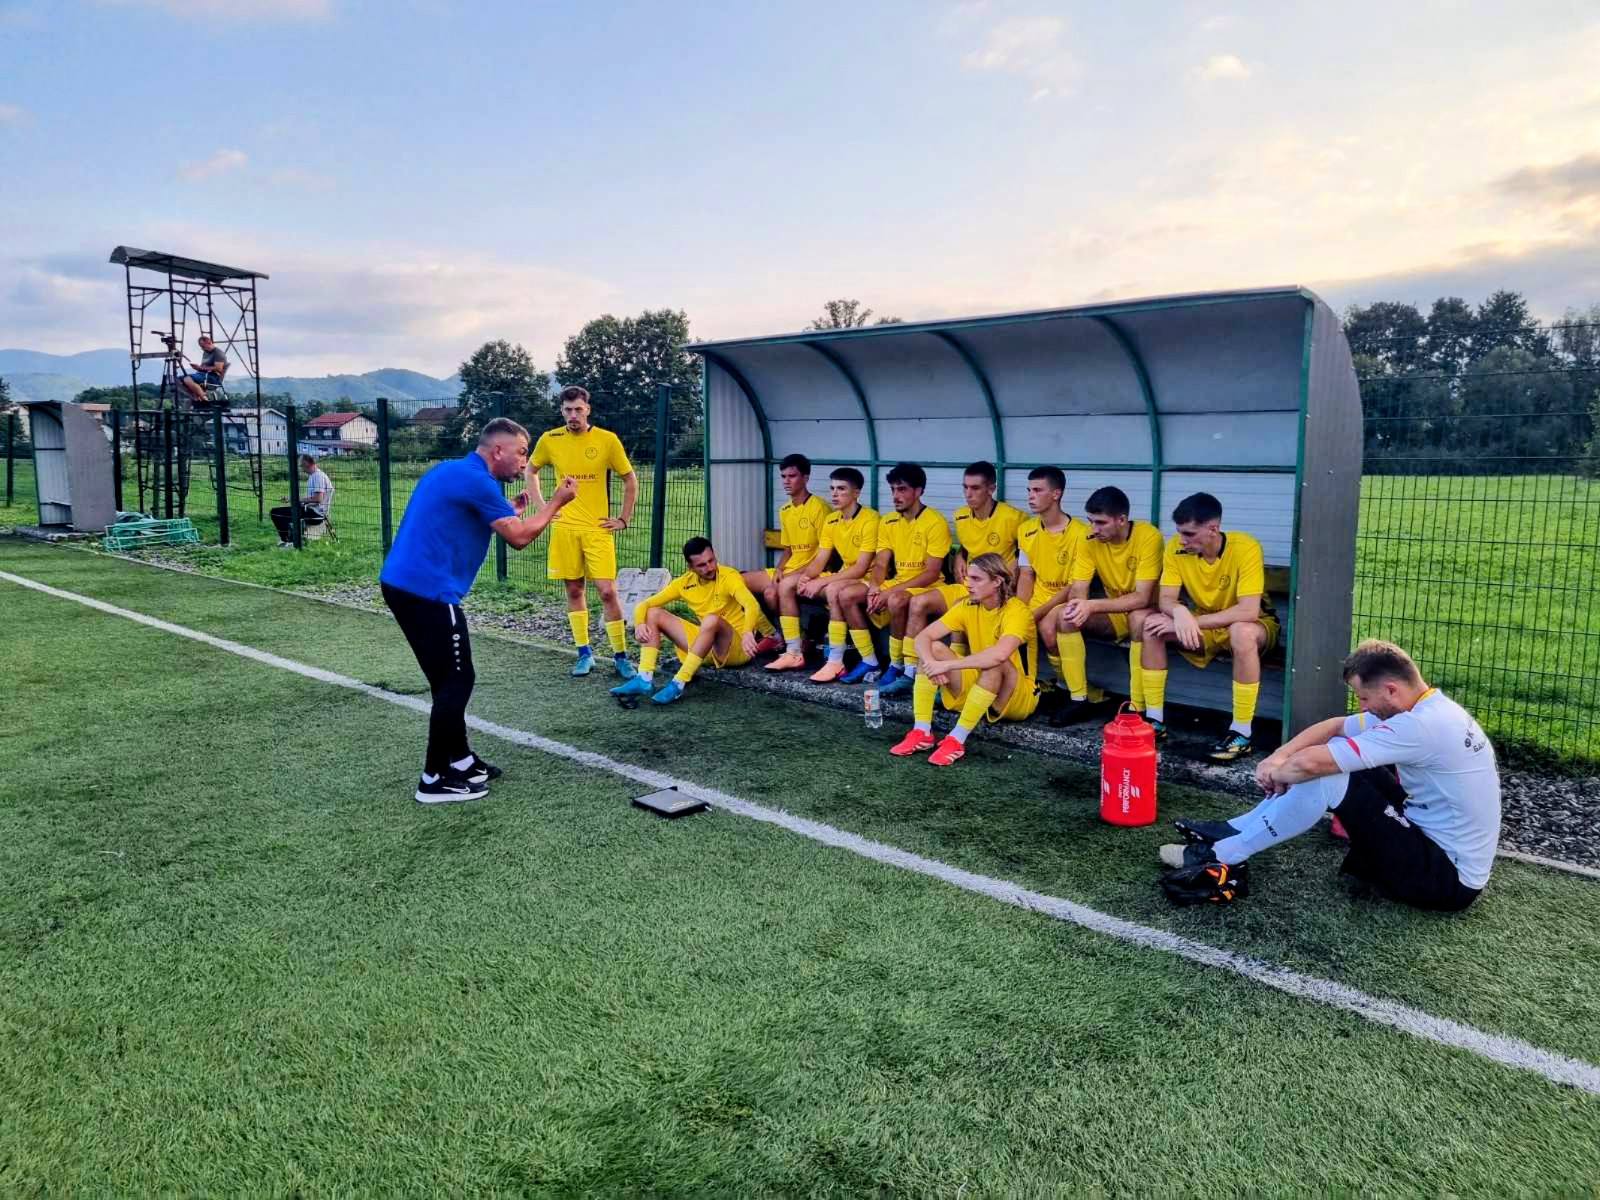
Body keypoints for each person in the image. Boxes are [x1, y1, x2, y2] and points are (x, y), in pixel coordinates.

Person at [1159, 640, 1501, 911]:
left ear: (1391, 690)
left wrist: (1282, 772)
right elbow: (1336, 727)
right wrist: (1279, 757)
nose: (1363, 707)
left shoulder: (1420, 726)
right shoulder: (1429, 707)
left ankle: (1224, 854)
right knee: (1334, 752)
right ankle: (1237, 828)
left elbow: (1313, 765)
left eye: (1364, 697)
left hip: (1446, 880)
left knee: (1326, 773)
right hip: (1428, 836)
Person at [380, 418, 576, 803]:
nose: (525, 462)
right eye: (522, 452)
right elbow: (519, 537)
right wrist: (556, 502)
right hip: (428, 590)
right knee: (457, 680)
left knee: (447, 680)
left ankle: (461, 759)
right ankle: (434, 778)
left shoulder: (454, 470)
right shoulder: (478, 481)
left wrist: (509, 508)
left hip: (402, 583)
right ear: (498, 450)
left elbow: (463, 515)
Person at [1141, 492, 1278, 760]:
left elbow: (1248, 611)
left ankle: (1241, 733)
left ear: (1213, 529)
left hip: (1255, 625)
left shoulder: (1246, 547)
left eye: (1189, 534)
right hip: (1206, 625)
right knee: (1151, 626)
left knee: (1241, 632)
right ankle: (1154, 722)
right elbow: (1166, 599)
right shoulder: (1175, 548)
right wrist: (1179, 612)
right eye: (1180, 532)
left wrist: (1190, 621)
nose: (1182, 540)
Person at [889, 553, 1041, 767]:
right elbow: (923, 637)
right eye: (968, 577)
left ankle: (956, 739)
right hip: (982, 683)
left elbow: (999, 655)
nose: (968, 584)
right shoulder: (967, 605)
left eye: (976, 579)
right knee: (932, 649)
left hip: (1017, 694)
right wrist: (932, 664)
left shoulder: (1017, 611)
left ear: (997, 582)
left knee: (994, 661)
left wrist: (946, 665)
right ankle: (921, 731)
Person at [531, 386, 639, 679]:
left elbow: (630, 479)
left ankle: (621, 657)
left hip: (597, 528)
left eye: (578, 409)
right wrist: (544, 508)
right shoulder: (549, 439)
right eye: (568, 410)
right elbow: (531, 470)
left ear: (587, 410)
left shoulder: (607, 440)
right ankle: (584, 654)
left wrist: (623, 518)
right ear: (562, 411)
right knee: (574, 590)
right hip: (565, 528)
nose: (573, 415)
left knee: (608, 591)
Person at [897, 460, 1024, 696]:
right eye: (965, 487)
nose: (968, 493)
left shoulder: (1014, 518)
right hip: (968, 583)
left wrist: (1009, 573)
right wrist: (960, 556)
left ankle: (957, 677)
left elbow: (1025, 554)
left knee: (960, 606)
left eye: (975, 488)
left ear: (991, 489)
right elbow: (968, 545)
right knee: (918, 602)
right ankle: (910, 671)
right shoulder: (961, 516)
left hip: (993, 590)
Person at [820, 462, 951, 687]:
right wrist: (874, 588)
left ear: (918, 491)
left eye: (902, 489)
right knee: (846, 595)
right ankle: (870, 661)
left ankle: (900, 665)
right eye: (893, 490)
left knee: (896, 600)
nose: (895, 496)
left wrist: (888, 591)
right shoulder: (889, 521)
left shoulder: (935, 522)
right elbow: (881, 563)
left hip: (928, 586)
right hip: (898, 582)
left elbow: (931, 573)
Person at [1051, 485, 1163, 726]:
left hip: (1148, 611)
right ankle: (1079, 700)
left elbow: (1142, 598)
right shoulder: (1089, 539)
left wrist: (1091, 606)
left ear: (1121, 520)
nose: (1094, 529)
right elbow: (1079, 586)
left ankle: (1137, 706)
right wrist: (1079, 606)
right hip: (1115, 612)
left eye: (1101, 523)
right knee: (1065, 616)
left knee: (1138, 617)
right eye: (1091, 521)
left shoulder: (1148, 536)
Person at [611, 537, 763, 705]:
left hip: (738, 648)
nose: (710, 567)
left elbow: (751, 604)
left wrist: (748, 632)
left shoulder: (729, 576)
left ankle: (678, 683)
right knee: (653, 613)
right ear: (690, 567)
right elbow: (644, 605)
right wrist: (640, 624)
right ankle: (644, 678)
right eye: (702, 565)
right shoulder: (684, 583)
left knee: (711, 620)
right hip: (705, 646)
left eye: (711, 560)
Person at [1015, 467, 1093, 705]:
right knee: (1013, 625)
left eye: (1038, 490)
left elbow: (1075, 585)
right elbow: (1026, 575)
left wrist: (1038, 612)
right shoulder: (1025, 530)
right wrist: (1020, 609)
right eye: (1029, 490)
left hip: (1066, 598)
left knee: (1048, 629)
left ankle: (1068, 688)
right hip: (1038, 596)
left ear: (1056, 494)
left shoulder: (1081, 533)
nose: (1031, 496)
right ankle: (1026, 689)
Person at [746, 453, 828, 670]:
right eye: (783, 476)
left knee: (774, 591)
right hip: (790, 570)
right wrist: (780, 569)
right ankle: (772, 634)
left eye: (792, 476)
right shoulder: (785, 510)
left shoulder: (819, 508)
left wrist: (790, 575)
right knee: (737, 580)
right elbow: (789, 549)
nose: (786, 481)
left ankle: (793, 645)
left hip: (814, 571)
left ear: (805, 478)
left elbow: (826, 554)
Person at [798, 468, 880, 682]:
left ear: (856, 493)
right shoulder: (832, 519)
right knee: (790, 585)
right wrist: (806, 577)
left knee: (833, 589)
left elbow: (861, 568)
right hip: (847, 575)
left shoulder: (870, 519)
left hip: (871, 578)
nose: (834, 494)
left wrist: (821, 582)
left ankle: (837, 660)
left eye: (841, 489)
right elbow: (820, 559)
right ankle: (795, 651)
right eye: (832, 488)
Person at [270, 454, 334, 547]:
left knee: (276, 513)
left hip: (316, 513)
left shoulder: (318, 476)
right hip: (311, 510)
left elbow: (318, 499)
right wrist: (293, 500)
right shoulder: (314, 476)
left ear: (307, 464)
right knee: (281, 511)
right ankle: (289, 539)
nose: (301, 468)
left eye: (301, 465)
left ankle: (290, 541)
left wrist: (296, 500)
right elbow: (312, 499)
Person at [180, 335, 228, 406]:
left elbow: (219, 368)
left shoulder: (218, 353)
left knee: (187, 379)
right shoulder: (206, 352)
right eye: (201, 347)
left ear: (209, 342)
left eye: (203, 346)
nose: (202, 349)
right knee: (179, 380)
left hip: (213, 377)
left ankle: (205, 399)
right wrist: (197, 368)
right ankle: (197, 399)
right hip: (203, 375)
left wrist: (200, 368)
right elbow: (203, 366)